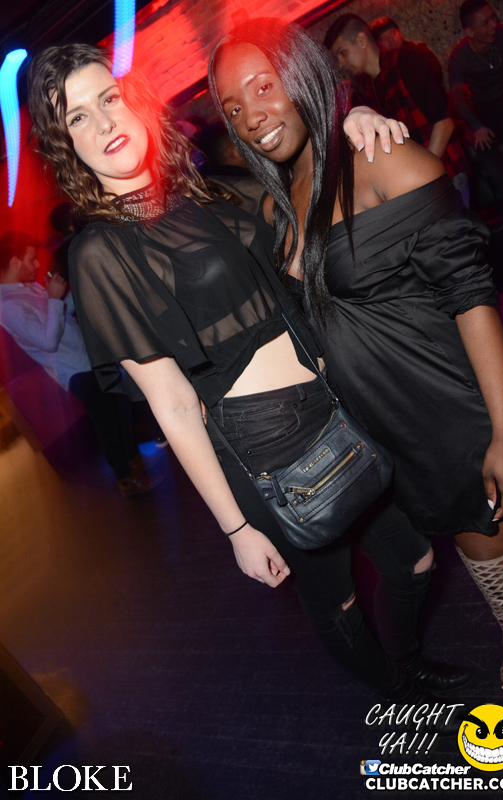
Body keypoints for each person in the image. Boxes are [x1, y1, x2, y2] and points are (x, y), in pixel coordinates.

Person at [26, 43, 467, 706]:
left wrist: (347, 121)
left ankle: (408, 659)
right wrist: (236, 529)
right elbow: (173, 404)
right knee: (339, 599)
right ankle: (399, 692)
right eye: (77, 118)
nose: (103, 122)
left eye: (107, 99)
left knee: (416, 559)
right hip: (262, 446)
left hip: (333, 402)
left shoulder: (208, 190)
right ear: (68, 146)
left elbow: (306, 192)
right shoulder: (103, 252)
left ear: (135, 102)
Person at [209, 17, 503, 698]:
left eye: (264, 87)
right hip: (375, 432)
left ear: (303, 77)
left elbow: (471, 295)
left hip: (444, 417)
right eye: (232, 107)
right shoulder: (279, 205)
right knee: (454, 565)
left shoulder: (382, 158)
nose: (251, 115)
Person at [0, 231, 158, 497]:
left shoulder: (27, 289)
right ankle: (126, 479)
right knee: (108, 424)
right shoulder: (8, 306)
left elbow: (61, 318)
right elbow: (48, 341)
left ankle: (134, 465)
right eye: (31, 258)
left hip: (87, 359)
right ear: (15, 262)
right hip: (75, 371)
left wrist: (72, 293)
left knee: (121, 411)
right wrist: (53, 299)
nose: (37, 264)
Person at [324, 14, 470, 206]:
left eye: (342, 53)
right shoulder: (369, 88)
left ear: (361, 40)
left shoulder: (406, 61)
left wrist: (422, 178)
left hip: (446, 176)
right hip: (418, 184)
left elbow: (444, 123)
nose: (341, 63)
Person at [448, 0, 503, 211]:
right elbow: (457, 99)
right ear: (470, 31)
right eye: (485, 23)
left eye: (493, 17)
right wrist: (477, 126)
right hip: (484, 108)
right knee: (484, 151)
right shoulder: (459, 57)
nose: (494, 24)